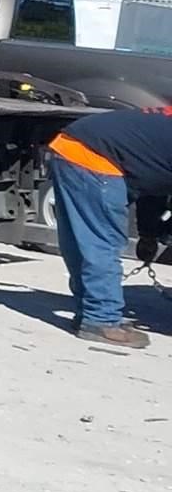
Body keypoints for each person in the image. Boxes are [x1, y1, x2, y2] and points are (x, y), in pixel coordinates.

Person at [45, 108, 172, 350]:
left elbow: (154, 186)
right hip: (96, 156)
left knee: (83, 240)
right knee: (101, 242)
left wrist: (148, 234)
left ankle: (90, 313)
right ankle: (101, 320)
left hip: (73, 144)